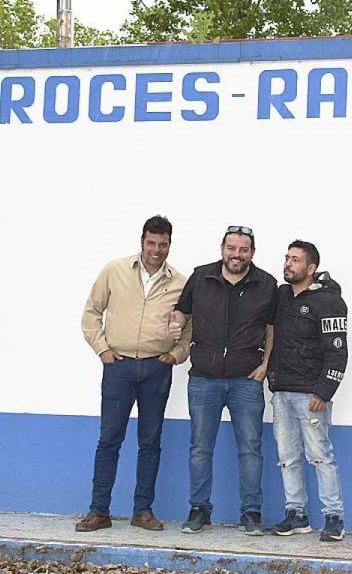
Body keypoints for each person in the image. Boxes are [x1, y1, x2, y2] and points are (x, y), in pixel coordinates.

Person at [75, 215, 192, 533]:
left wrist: (176, 355)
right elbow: (91, 312)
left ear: (170, 244)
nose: (156, 250)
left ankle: (143, 511)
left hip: (157, 369)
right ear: (142, 241)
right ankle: (98, 511)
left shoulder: (180, 283)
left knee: (150, 442)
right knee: (109, 439)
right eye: (151, 243)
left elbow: (189, 328)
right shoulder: (114, 271)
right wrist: (103, 350)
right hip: (119, 367)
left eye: (163, 244)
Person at [169, 225, 278, 535]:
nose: (237, 255)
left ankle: (251, 513)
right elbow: (181, 311)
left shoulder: (266, 284)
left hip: (246, 380)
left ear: (252, 253)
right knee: (200, 448)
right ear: (222, 249)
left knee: (251, 449)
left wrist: (266, 364)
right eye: (232, 248)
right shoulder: (201, 277)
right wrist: (175, 323)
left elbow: (272, 328)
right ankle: (199, 509)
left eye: (243, 250)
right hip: (204, 378)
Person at [265, 240, 349, 542]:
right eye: (286, 258)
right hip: (282, 393)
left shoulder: (329, 302)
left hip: (312, 396)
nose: (288, 264)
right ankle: (297, 515)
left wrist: (323, 392)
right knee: (287, 457)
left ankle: (333, 517)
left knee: (321, 457)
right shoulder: (282, 295)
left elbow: (338, 353)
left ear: (311, 268)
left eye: (295, 260)